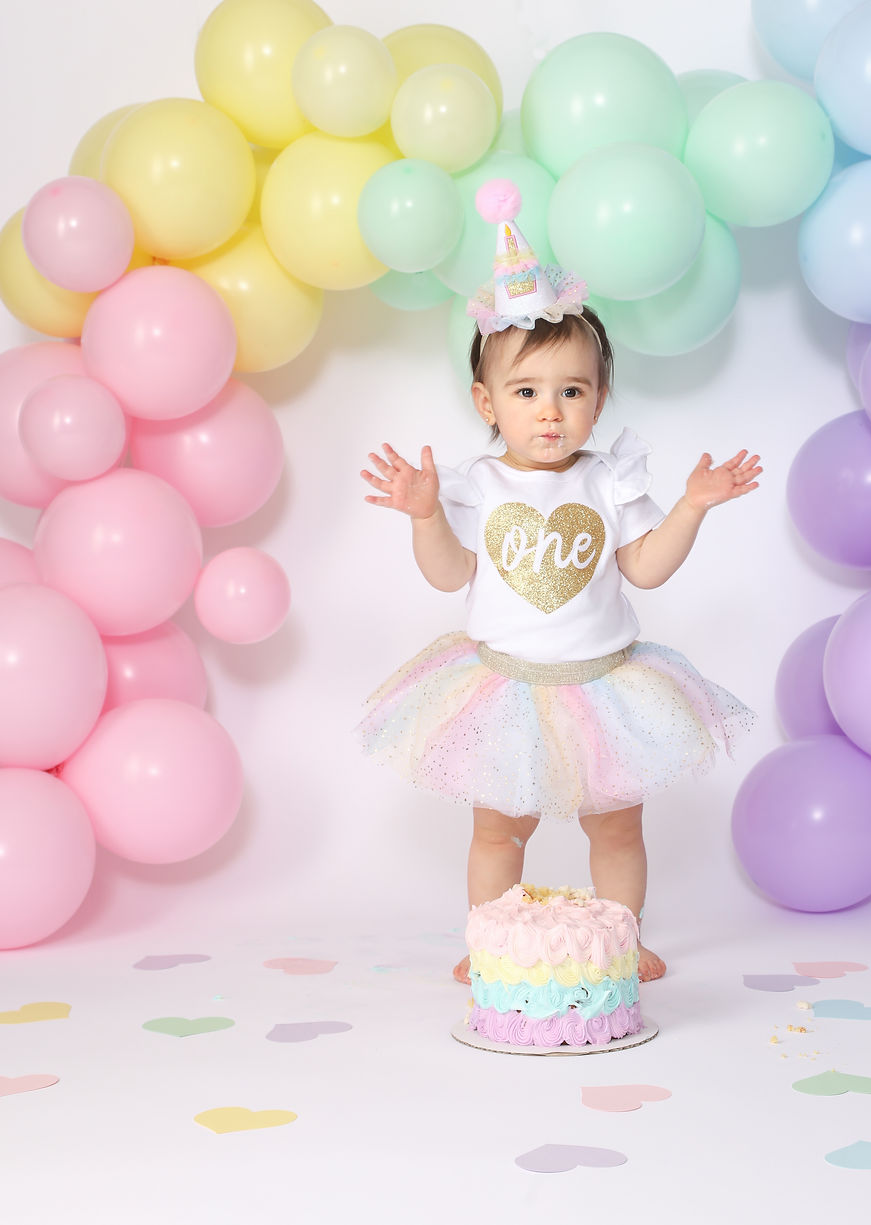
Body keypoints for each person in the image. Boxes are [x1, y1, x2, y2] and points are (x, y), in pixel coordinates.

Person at [358, 180, 759, 987]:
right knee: (500, 831)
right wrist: (425, 515)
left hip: (605, 686)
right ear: (487, 401)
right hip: (506, 687)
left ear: (599, 397)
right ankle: (491, 941)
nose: (551, 413)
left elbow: (643, 566)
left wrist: (690, 506)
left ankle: (622, 935)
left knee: (615, 828)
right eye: (527, 393)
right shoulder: (476, 485)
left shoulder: (610, 480)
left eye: (572, 391)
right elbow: (448, 576)